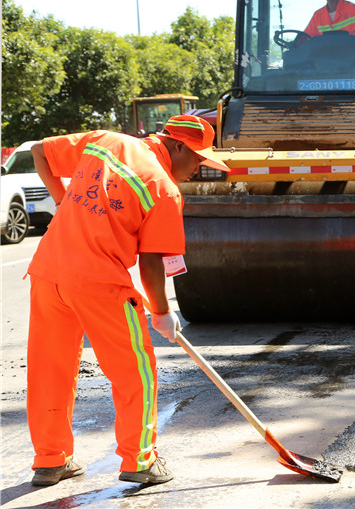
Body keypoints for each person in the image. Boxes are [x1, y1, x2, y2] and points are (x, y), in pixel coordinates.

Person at [25, 115, 230, 487]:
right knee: (136, 372)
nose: (197, 170)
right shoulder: (163, 188)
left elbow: (40, 152)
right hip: (99, 283)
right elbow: (152, 261)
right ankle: (140, 461)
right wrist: (163, 312)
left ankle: (50, 460)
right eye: (198, 160)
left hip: (47, 273)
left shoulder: (106, 141)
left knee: (49, 370)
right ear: (177, 146)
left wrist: (62, 201)